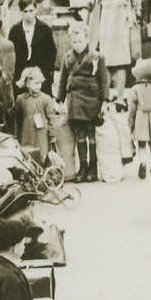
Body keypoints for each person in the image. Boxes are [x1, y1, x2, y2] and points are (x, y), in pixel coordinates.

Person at [56, 19, 110, 182]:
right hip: (75, 102)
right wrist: (59, 100)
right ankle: (83, 166)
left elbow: (104, 81)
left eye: (80, 41)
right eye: (74, 42)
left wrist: (105, 102)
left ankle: (93, 166)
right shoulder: (66, 57)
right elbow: (62, 80)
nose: (77, 45)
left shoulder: (97, 57)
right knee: (80, 134)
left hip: (92, 100)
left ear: (87, 39)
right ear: (70, 41)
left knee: (91, 134)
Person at [91, 0, 142, 95]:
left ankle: (107, 96)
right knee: (121, 59)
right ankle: (120, 97)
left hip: (106, 17)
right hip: (122, 17)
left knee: (106, 58)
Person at [8, 0, 58, 88]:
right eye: (25, 11)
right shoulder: (15, 31)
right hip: (21, 76)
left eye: (31, 11)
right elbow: (11, 54)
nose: (28, 15)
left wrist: (44, 69)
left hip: (40, 74)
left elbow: (52, 52)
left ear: (36, 9)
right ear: (21, 12)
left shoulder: (45, 29)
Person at [14, 66, 58, 164]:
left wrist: (52, 135)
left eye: (40, 83)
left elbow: (51, 119)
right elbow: (18, 118)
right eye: (36, 83)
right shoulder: (21, 99)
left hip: (41, 133)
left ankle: (42, 170)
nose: (39, 86)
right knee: (26, 154)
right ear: (27, 83)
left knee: (41, 154)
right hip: (26, 132)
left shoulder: (46, 99)